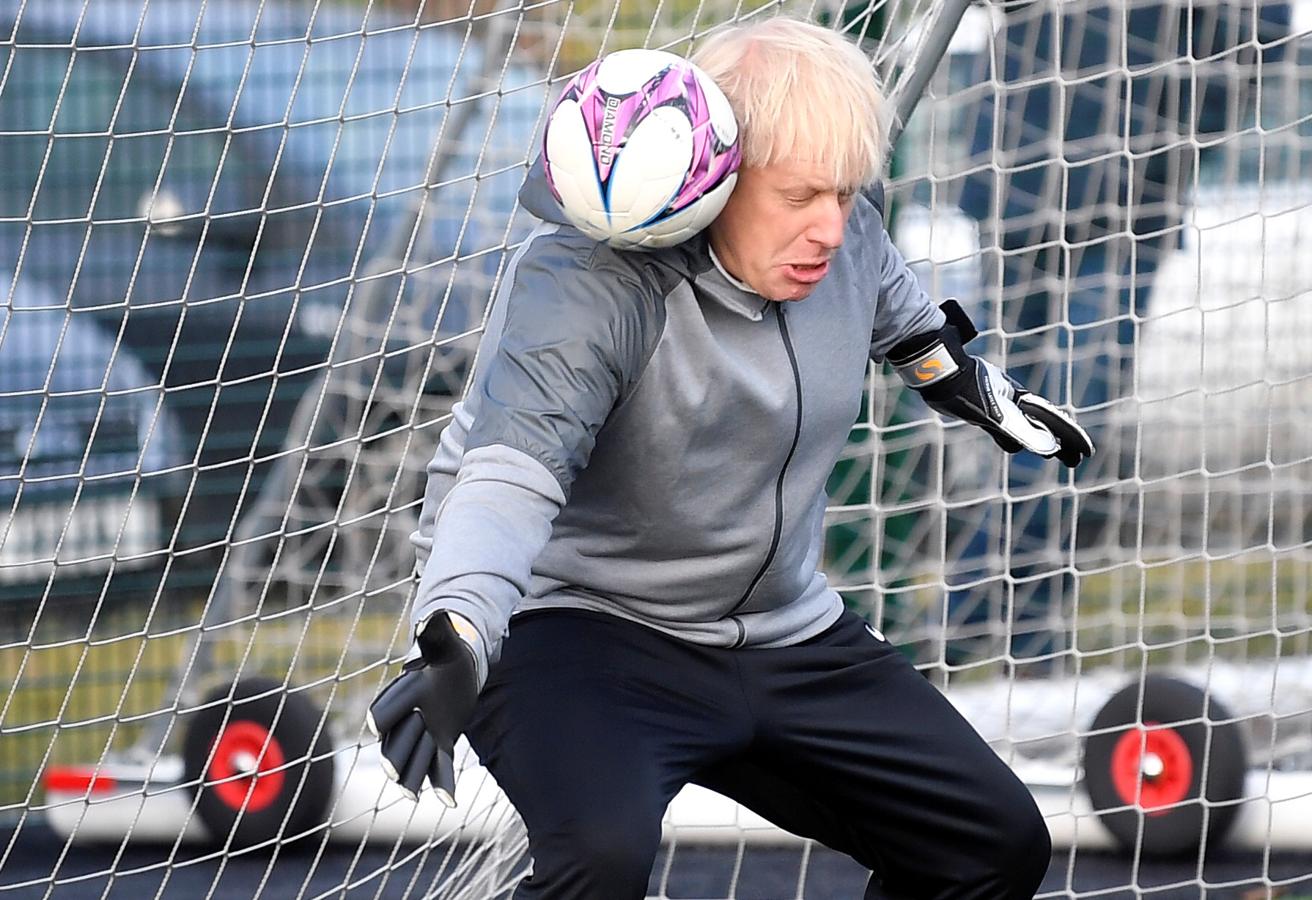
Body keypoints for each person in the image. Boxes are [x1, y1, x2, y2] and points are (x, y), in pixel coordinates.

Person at [366, 16, 1092, 899]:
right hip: (586, 629)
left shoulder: (847, 236)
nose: (832, 226)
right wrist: (462, 632)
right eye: (800, 197)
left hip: (782, 631)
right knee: (600, 857)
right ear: (716, 178)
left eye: (846, 192)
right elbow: (511, 472)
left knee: (993, 842)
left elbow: (910, 330)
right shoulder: (593, 286)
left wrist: (983, 397)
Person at [948, 0, 1289, 667]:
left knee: (1070, 425)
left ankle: (960, 625)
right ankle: (1028, 646)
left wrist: (1180, 124)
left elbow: (1265, 27)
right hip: (1016, 179)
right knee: (1014, 423)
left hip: (1126, 198)